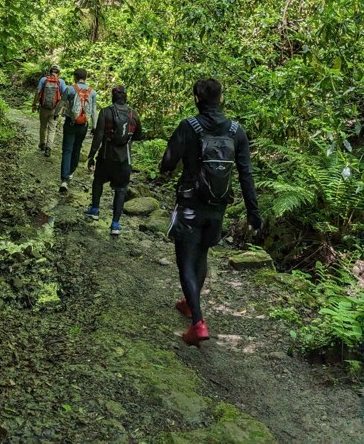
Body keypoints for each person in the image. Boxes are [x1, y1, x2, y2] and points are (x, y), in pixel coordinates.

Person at [159, 78, 262, 346]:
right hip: (218, 207)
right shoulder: (236, 131)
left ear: (196, 99)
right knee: (202, 253)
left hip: (190, 204)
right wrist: (253, 211)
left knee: (185, 261)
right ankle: (189, 304)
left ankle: (198, 323)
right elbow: (246, 175)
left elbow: (166, 164)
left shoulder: (188, 127)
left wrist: (180, 160)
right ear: (221, 98)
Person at [85, 86, 143, 235]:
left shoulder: (106, 112)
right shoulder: (133, 115)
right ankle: (115, 224)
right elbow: (138, 136)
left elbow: (98, 136)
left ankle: (95, 210)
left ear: (113, 97)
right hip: (124, 160)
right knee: (121, 189)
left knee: (98, 180)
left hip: (106, 156)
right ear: (125, 98)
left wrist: (91, 156)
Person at [56, 68, 97, 193]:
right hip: (83, 125)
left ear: (75, 77)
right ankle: (71, 172)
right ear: (86, 77)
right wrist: (94, 126)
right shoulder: (92, 92)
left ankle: (64, 180)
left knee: (67, 150)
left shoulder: (70, 89)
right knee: (77, 148)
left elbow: (61, 103)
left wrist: (55, 114)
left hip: (70, 123)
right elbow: (94, 111)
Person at [32, 65, 66, 158]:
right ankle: (48, 148)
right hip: (55, 109)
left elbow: (38, 92)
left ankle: (42, 144)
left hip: (43, 108)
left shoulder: (43, 79)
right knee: (52, 128)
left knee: (43, 126)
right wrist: (63, 108)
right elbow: (64, 96)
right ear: (58, 73)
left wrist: (34, 104)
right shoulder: (61, 82)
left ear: (50, 71)